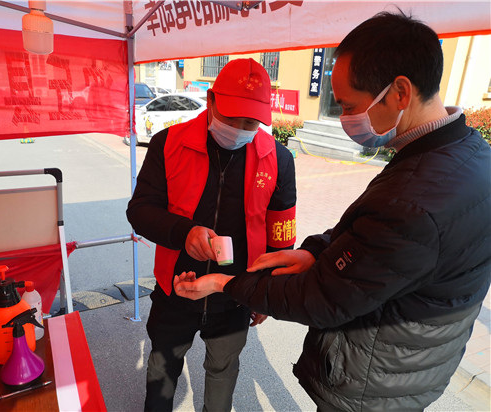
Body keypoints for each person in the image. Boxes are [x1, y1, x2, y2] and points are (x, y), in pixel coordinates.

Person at [174, 11, 491, 412]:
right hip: (415, 363)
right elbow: (370, 240)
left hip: (374, 377)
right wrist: (317, 251)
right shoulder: (468, 153)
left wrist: (226, 284)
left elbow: (322, 296)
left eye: (349, 105)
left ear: (399, 93)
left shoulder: (415, 198)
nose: (344, 119)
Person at [126, 58, 297, 412]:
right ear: (211, 100)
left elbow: (281, 236)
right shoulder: (167, 144)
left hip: (235, 294)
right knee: (162, 372)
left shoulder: (278, 159)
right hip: (176, 288)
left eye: (249, 122)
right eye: (231, 117)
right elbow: (140, 210)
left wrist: (266, 290)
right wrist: (183, 232)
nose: (238, 129)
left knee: (223, 373)